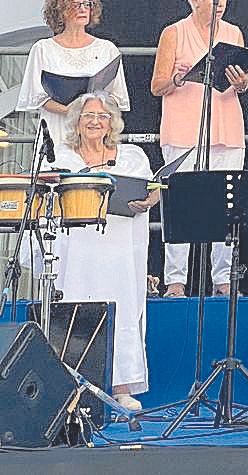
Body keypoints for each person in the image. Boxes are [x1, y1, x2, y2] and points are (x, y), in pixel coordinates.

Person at [148, 0, 248, 297]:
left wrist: (242, 81)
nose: (221, 1)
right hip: (185, 129)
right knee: (181, 203)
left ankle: (224, 279)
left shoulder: (233, 33)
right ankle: (175, 281)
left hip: (227, 126)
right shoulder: (174, 32)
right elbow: (157, 85)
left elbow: (243, 81)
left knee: (227, 204)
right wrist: (181, 77)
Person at [51, 93, 155, 410]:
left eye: (102, 115)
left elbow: (151, 192)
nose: (95, 121)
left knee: (123, 306)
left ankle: (121, 385)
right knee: (75, 306)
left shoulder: (132, 156)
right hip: (78, 248)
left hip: (119, 247)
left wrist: (149, 201)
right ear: (77, 123)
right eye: (88, 115)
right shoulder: (60, 156)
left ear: (112, 122)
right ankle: (72, 386)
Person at [18, 0, 131, 143]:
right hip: (56, 127)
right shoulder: (43, 48)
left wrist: (90, 111)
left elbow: (117, 95)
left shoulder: (107, 49)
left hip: (93, 129)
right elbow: (37, 96)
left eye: (86, 4)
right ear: (61, 10)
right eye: (75, 5)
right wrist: (70, 110)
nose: (83, 9)